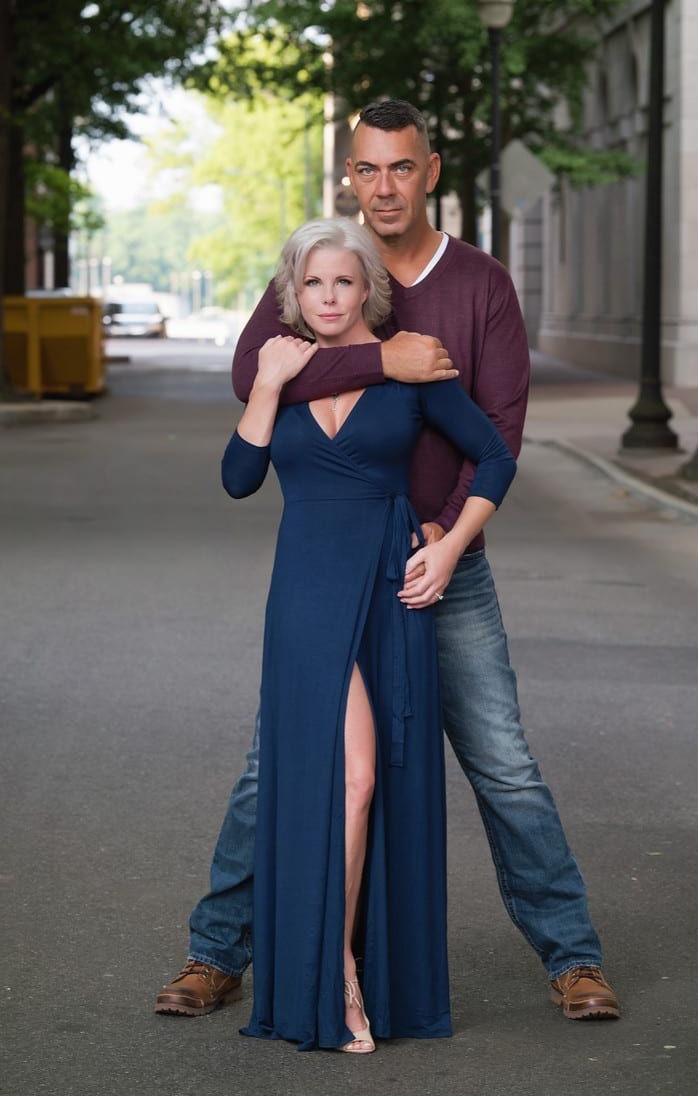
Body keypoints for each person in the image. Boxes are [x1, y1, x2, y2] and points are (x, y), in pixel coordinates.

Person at [154, 99, 620, 1024]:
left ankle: (572, 957)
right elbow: (262, 378)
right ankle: (218, 952)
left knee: (503, 761)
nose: (382, 186)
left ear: (431, 171)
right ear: (350, 178)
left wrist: (446, 544)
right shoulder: (332, 271)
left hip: (437, 567)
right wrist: (384, 362)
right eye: (366, 170)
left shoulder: (482, 286)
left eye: (399, 168)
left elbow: (501, 436)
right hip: (332, 576)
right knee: (273, 762)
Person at [221, 218, 516, 1052]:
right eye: (312, 284)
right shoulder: (282, 365)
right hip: (308, 594)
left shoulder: (413, 365)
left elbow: (494, 456)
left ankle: (348, 966)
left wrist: (450, 544)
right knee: (348, 778)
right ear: (293, 290)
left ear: (366, 290)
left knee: (378, 775)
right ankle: (337, 971)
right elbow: (239, 479)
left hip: (393, 587)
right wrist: (271, 388)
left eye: (343, 283)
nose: (327, 298)